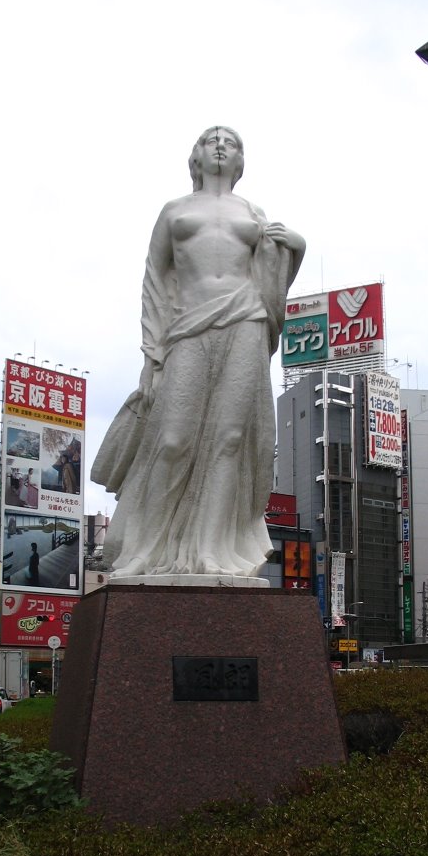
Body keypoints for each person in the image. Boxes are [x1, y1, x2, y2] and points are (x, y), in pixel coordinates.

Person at [92, 126, 305, 577]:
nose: (222, 146)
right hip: (188, 325)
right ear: (196, 155)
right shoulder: (175, 211)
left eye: (231, 142)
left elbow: (273, 273)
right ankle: (145, 550)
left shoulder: (253, 212)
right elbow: (154, 283)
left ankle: (212, 550)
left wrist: (298, 249)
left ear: (240, 160)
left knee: (229, 439)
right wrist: (152, 357)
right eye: (212, 140)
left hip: (245, 319)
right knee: (171, 439)